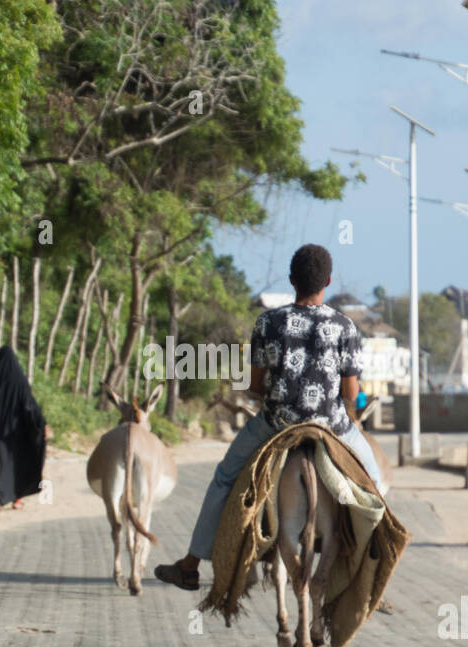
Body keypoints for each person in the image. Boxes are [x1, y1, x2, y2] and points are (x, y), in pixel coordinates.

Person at [154, 244, 384, 591]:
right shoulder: (345, 327)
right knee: (375, 485)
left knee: (223, 479)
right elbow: (351, 396)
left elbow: (257, 386)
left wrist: (273, 394)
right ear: (328, 282)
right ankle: (372, 573)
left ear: (292, 281)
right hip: (333, 428)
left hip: (278, 426)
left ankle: (190, 565)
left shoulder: (268, 322)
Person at [0, 346, 52, 511]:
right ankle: (17, 500)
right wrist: (41, 424)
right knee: (17, 465)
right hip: (15, 435)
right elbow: (30, 406)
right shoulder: (19, 381)